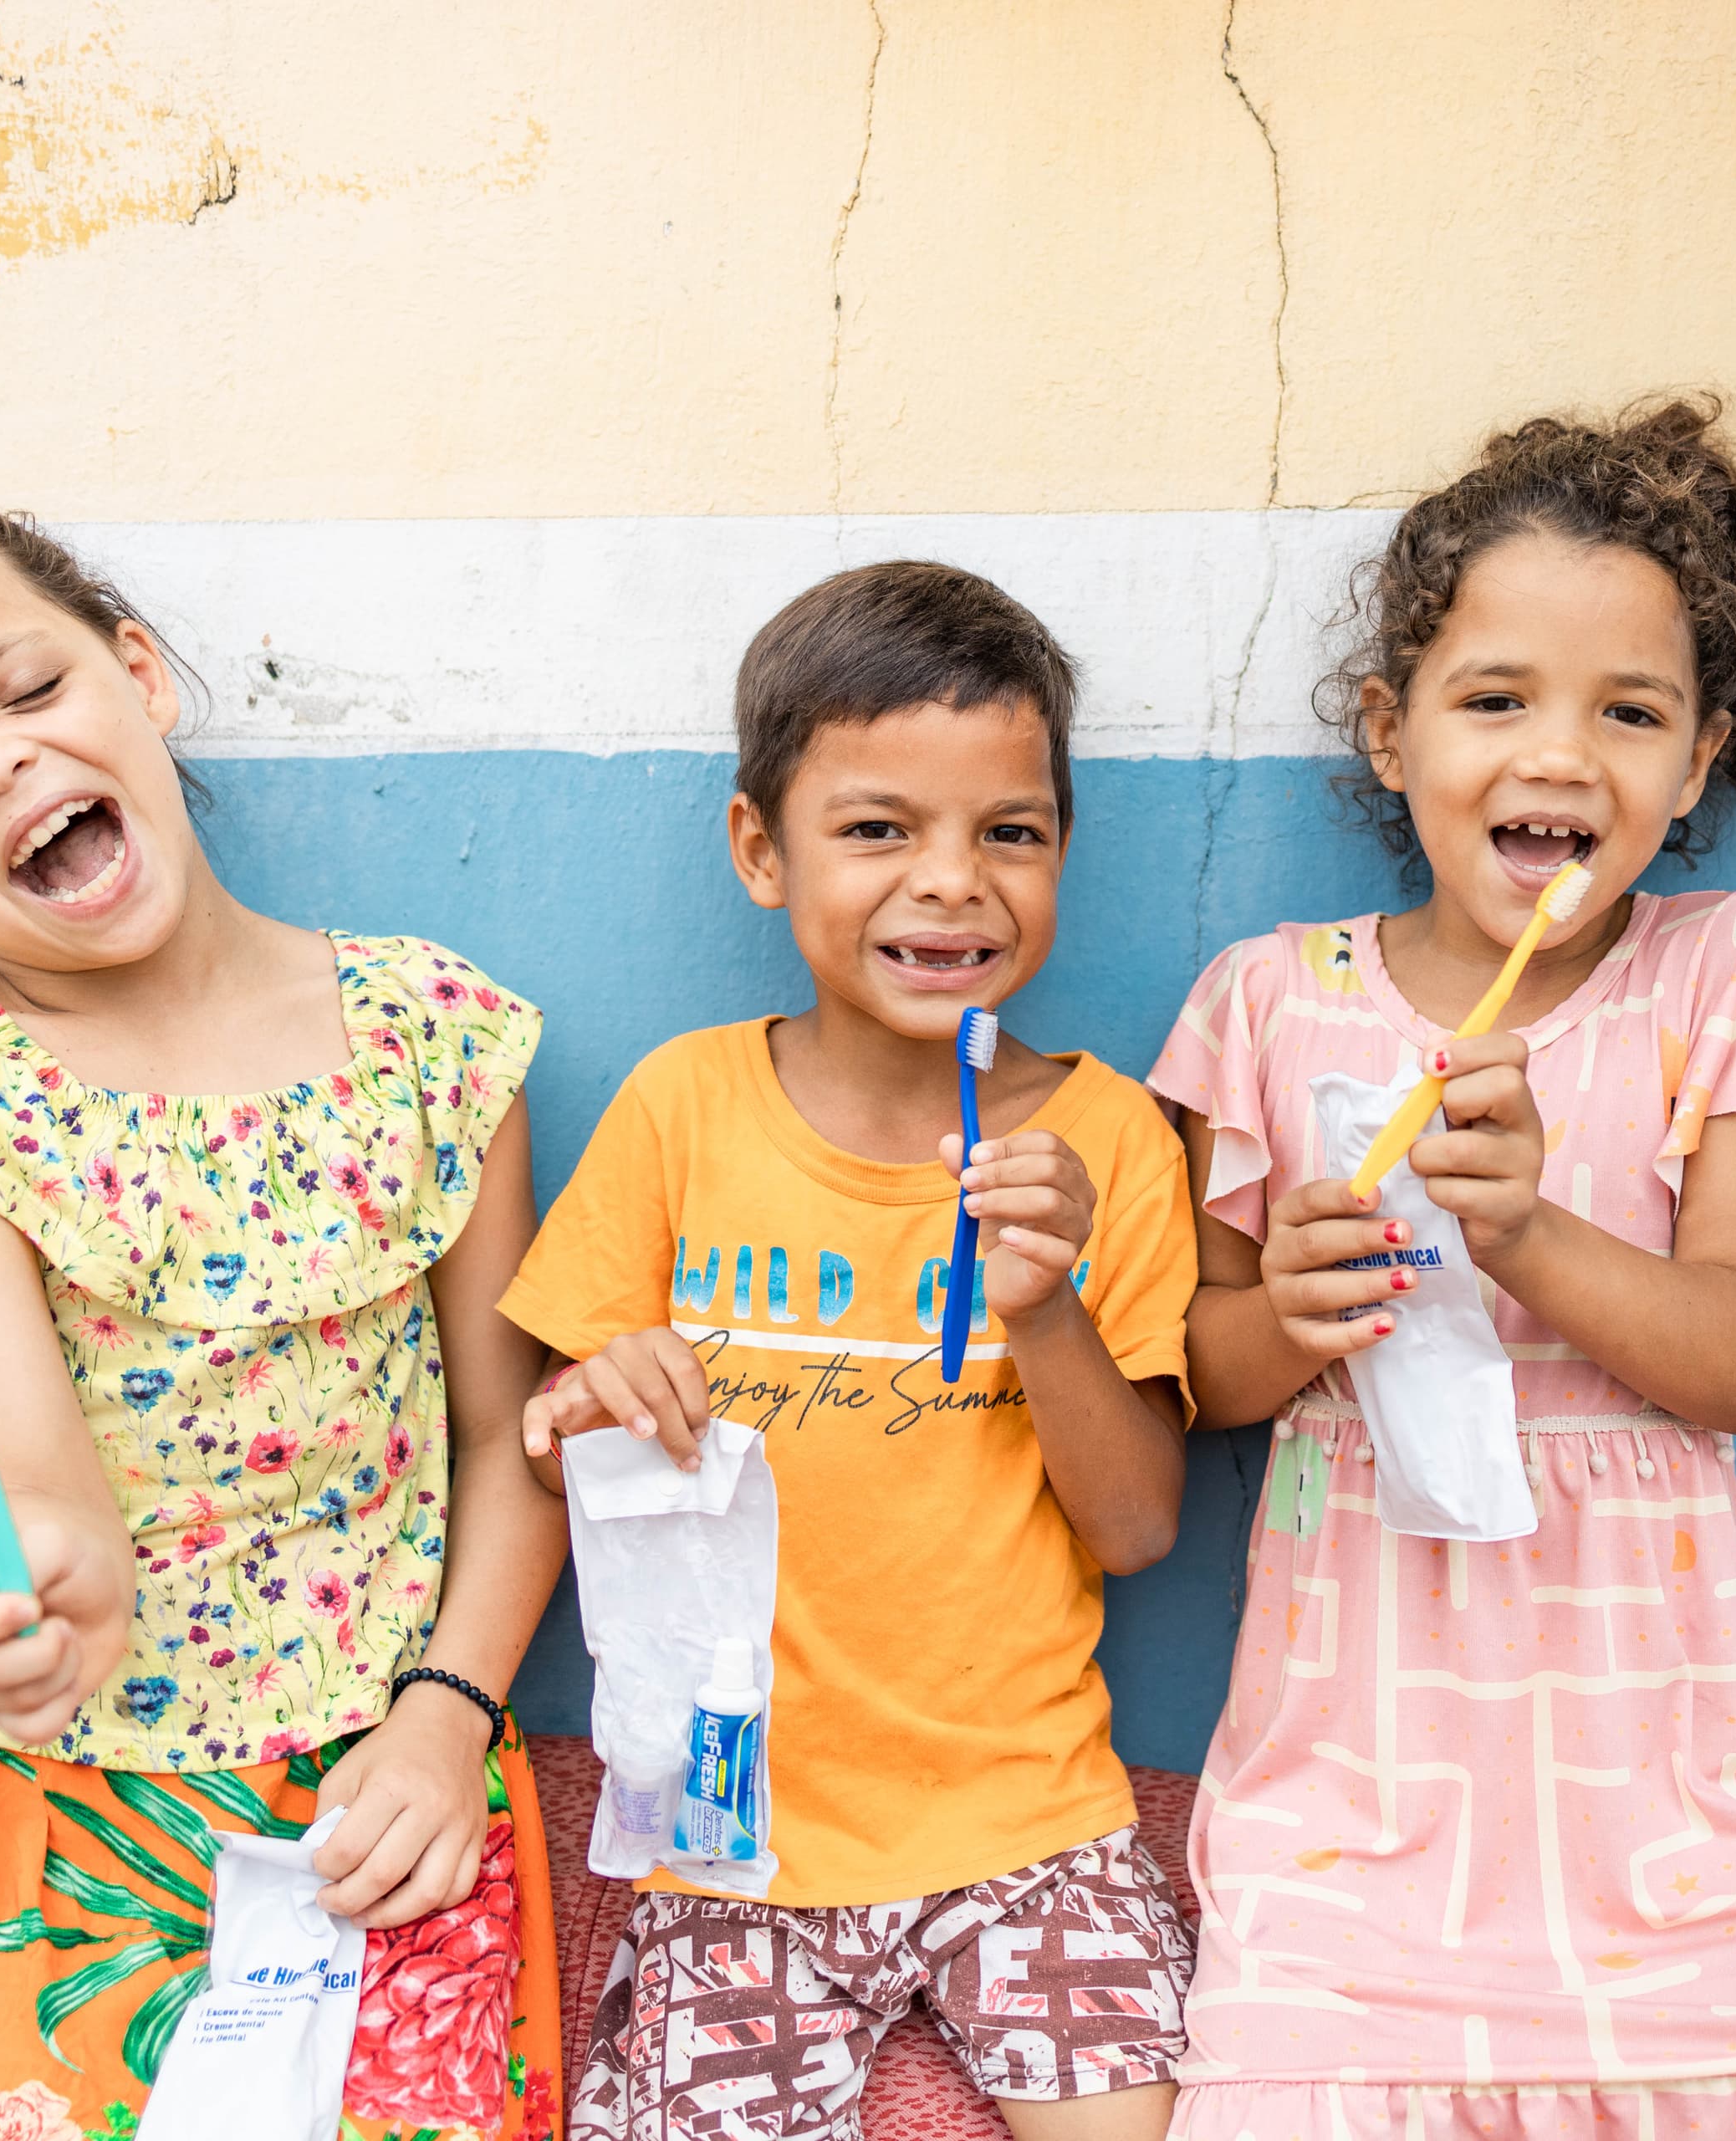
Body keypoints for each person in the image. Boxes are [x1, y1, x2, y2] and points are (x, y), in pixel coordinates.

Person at [1147, 401, 1736, 2139]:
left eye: (1628, 713)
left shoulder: (1730, 981)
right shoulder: (1270, 999)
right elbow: (1202, 1371)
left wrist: (1532, 1236)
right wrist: (1298, 1305)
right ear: (1390, 733)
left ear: (1700, 758)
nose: (1560, 757)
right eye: (1496, 700)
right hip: (1361, 1777)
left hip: (1665, 1784)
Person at [0, 502, 569, 2141]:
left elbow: (510, 1438)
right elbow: (37, 1498)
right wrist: (40, 1603)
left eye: (24, 688)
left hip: (389, 1794)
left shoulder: (436, 1034)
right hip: (72, 1842)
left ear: (139, 676)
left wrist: (444, 1717)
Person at [500, 562, 1201, 2141]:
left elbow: (1141, 1528)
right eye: (878, 829)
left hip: (1033, 1821)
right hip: (731, 1829)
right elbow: (547, 1435)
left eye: (1008, 832)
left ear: (1061, 852)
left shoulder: (1107, 1143)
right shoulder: (683, 1109)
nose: (950, 883)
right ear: (764, 849)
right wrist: (592, 1399)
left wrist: (1043, 1307)